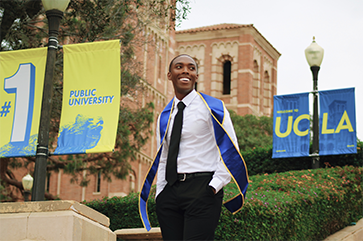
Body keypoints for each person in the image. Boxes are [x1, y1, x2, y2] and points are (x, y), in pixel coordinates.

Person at [151, 54, 245, 241]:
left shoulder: (213, 108)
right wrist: (160, 193)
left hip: (202, 188)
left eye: (191, 68)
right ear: (170, 75)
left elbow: (231, 151)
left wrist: (213, 186)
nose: (185, 70)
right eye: (179, 66)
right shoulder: (164, 115)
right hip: (170, 192)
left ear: (196, 76)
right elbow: (164, 156)